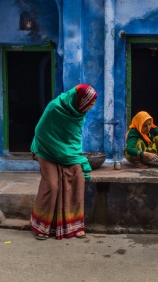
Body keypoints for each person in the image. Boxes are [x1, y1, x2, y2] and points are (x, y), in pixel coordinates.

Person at [29, 84, 98, 240]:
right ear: (79, 100)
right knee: (52, 185)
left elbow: (74, 138)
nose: (90, 108)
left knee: (78, 178)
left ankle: (75, 224)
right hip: (45, 149)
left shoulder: (80, 112)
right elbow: (40, 132)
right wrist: (60, 152)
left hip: (67, 152)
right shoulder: (54, 108)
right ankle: (41, 225)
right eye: (89, 104)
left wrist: (71, 155)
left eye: (91, 105)